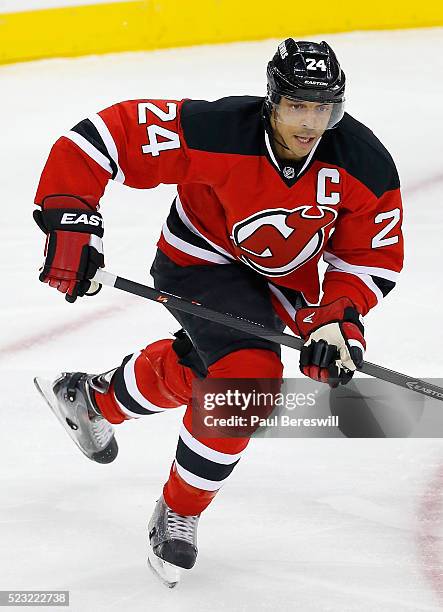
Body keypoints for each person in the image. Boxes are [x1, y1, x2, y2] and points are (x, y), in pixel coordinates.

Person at [33, 39, 403, 583]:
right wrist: (71, 218)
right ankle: (181, 507)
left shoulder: (363, 163)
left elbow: (369, 257)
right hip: (201, 262)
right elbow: (101, 138)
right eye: (297, 105)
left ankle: (94, 398)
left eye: (323, 108)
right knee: (247, 381)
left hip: (287, 284)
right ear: (271, 101)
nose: (310, 122)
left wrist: (337, 320)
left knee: (213, 371)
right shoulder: (218, 129)